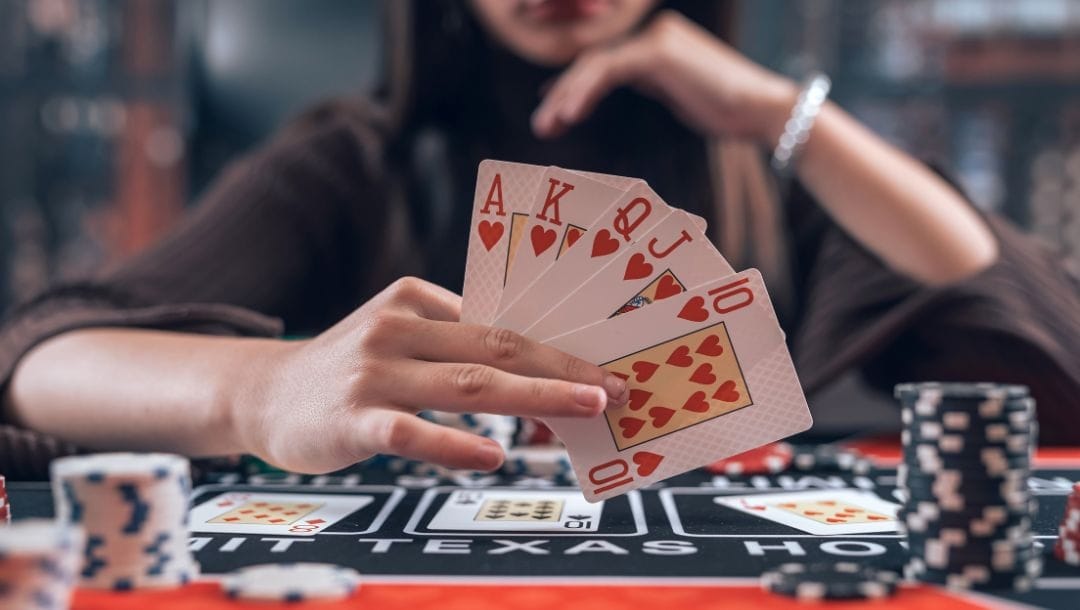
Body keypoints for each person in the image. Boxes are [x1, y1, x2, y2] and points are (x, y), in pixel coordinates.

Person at [1, 0, 1078, 479]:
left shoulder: (759, 169)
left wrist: (780, 114)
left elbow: (1043, 351)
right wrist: (264, 388)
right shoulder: (356, 159)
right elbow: (38, 358)